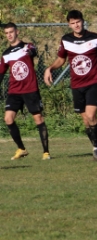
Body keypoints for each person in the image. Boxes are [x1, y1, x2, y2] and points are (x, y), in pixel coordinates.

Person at [44, 10, 97, 161]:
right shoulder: (66, 40)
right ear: (69, 25)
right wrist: (49, 68)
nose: (76, 25)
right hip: (77, 84)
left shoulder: (96, 38)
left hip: (94, 81)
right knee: (86, 120)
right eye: (73, 23)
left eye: (78, 22)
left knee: (91, 115)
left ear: (83, 21)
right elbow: (61, 60)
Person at [2, 23, 50, 160]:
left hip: (30, 89)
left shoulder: (27, 46)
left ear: (17, 32)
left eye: (11, 32)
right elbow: (1, 72)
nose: (9, 35)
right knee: (8, 119)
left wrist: (31, 51)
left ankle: (46, 152)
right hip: (14, 91)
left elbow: (33, 51)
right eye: (7, 33)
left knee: (38, 118)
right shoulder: (6, 54)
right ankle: (21, 149)